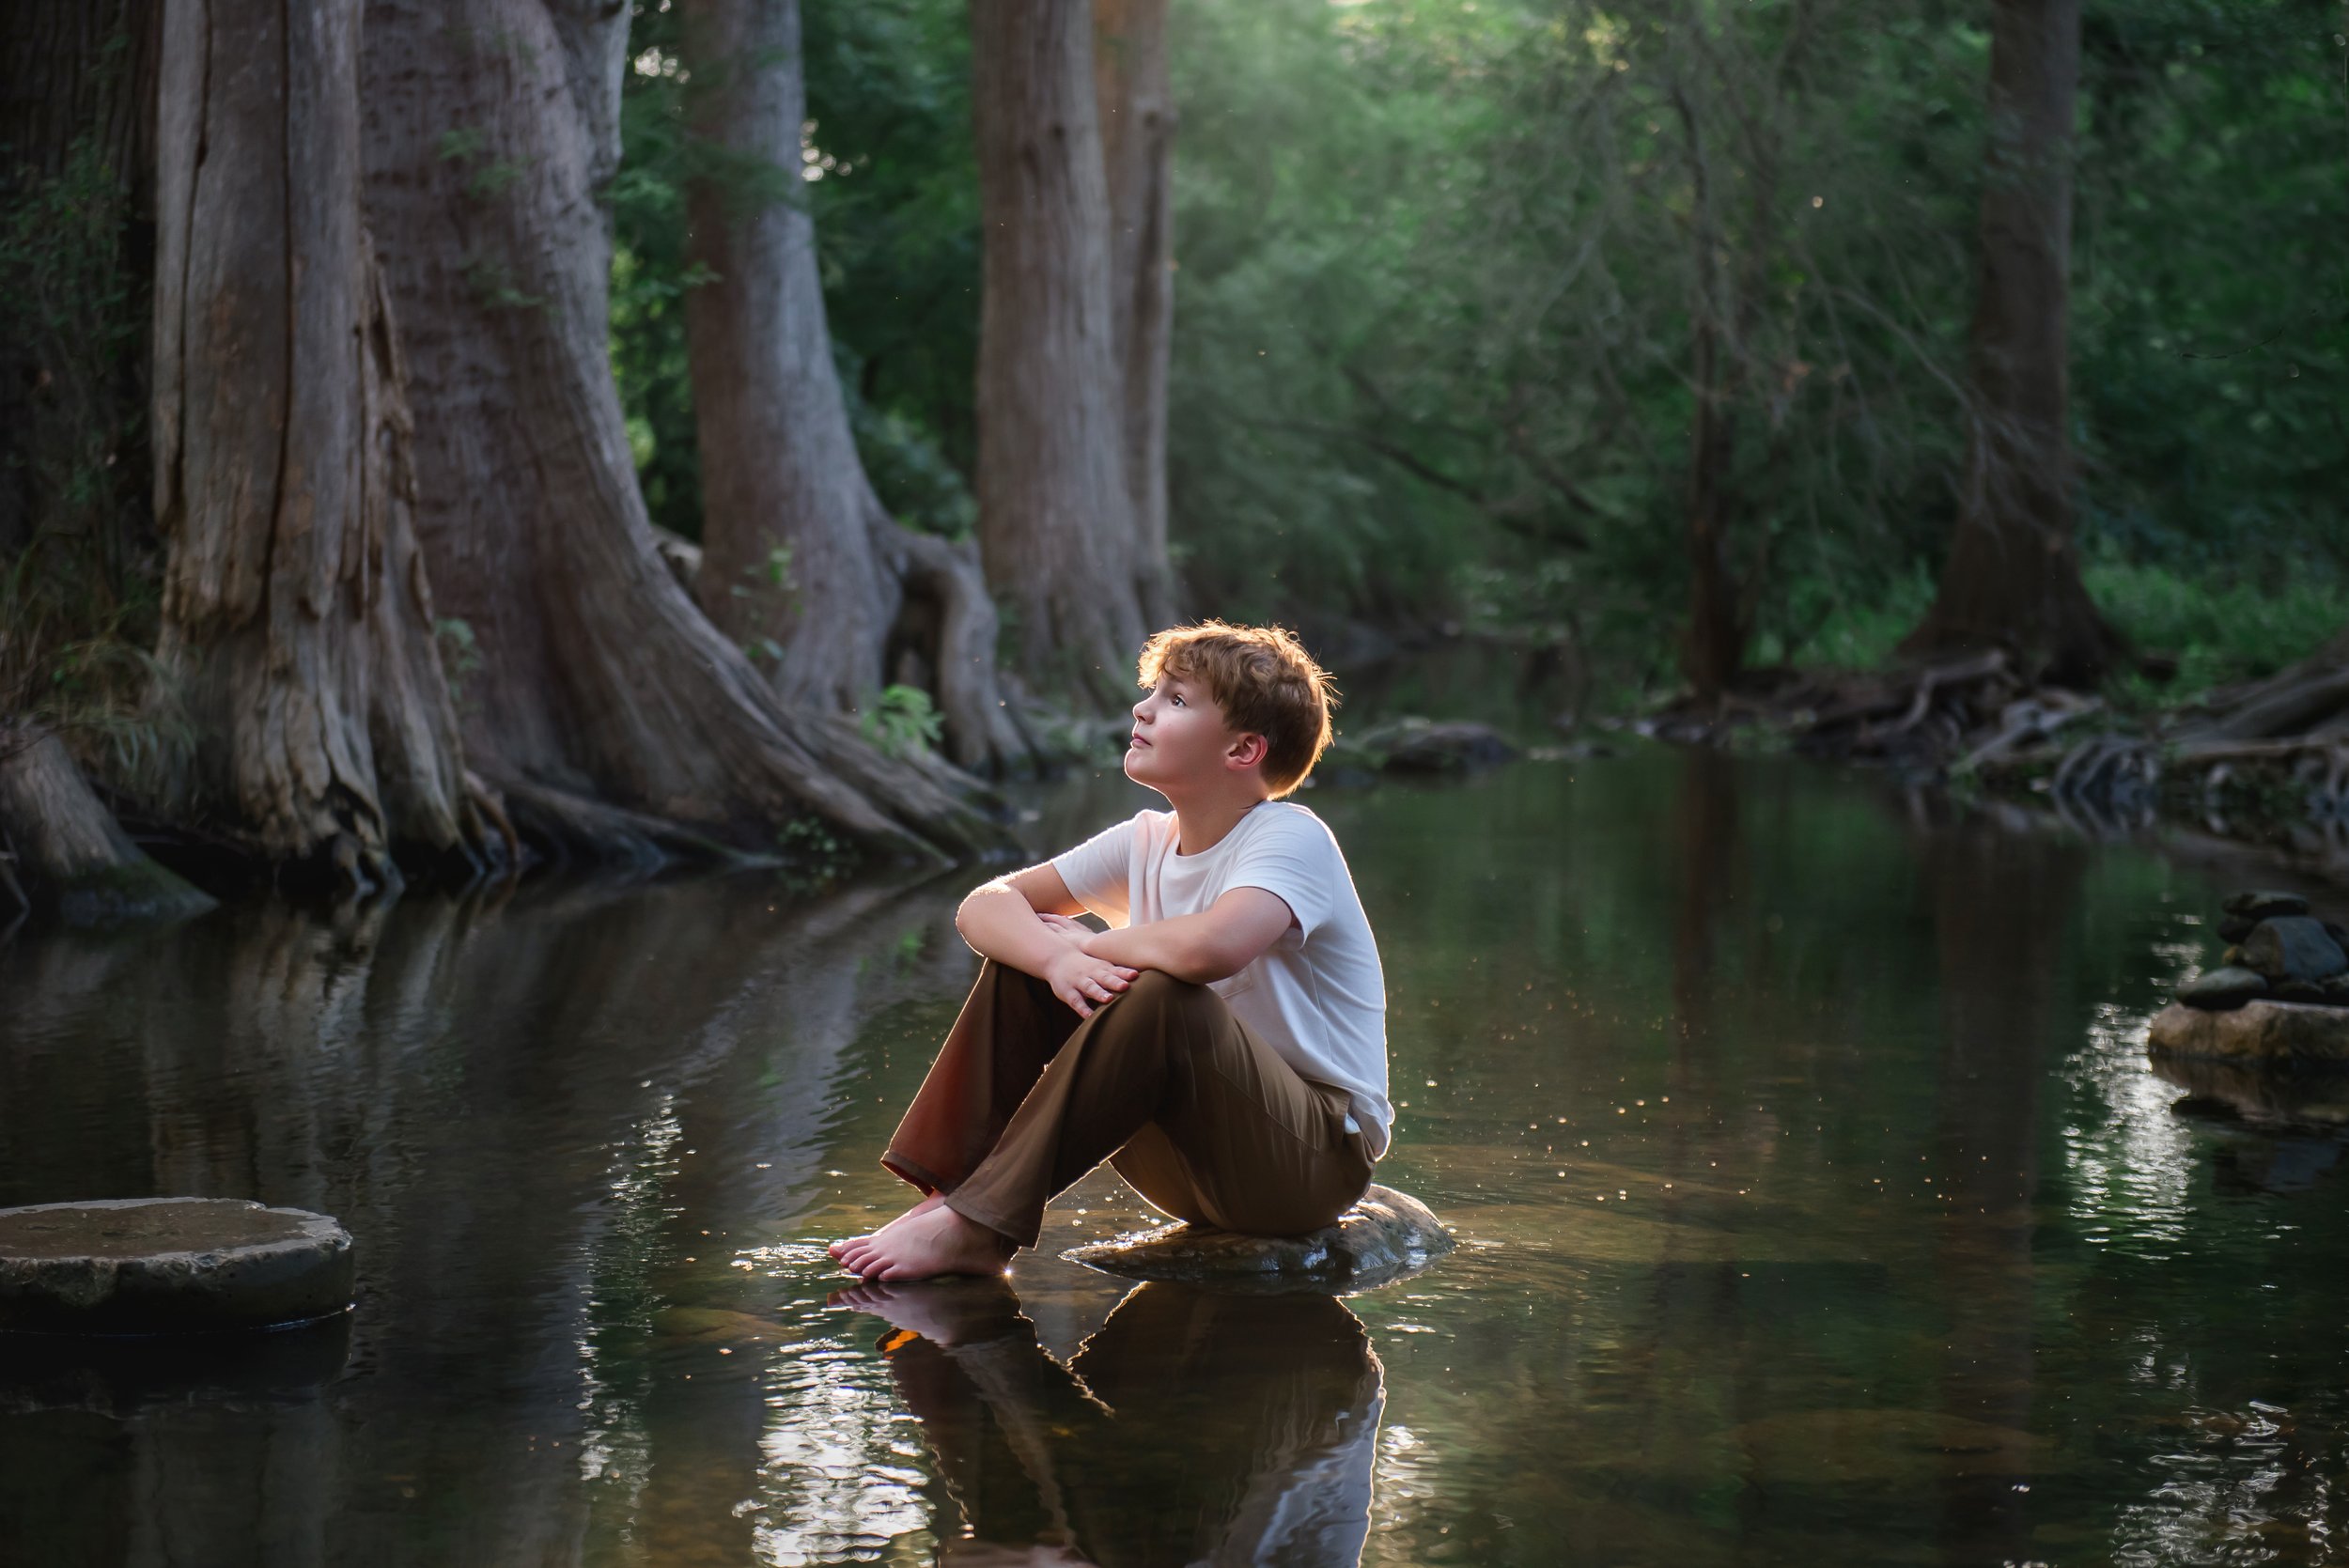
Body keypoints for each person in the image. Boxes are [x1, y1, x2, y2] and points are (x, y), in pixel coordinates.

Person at [829, 621, 1392, 1281]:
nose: (1142, 708)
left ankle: (980, 1228)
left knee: (1160, 993)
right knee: (1028, 965)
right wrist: (1056, 958)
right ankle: (948, 1196)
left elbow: (1215, 946)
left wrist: (1094, 944)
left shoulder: (1291, 837)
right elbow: (985, 905)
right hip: (1185, 1161)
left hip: (1309, 1163)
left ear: (1242, 748)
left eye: (1176, 700)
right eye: (1154, 691)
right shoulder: (1145, 840)